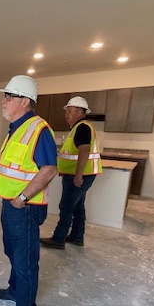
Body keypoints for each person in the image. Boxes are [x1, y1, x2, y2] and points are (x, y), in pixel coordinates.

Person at [0, 75, 58, 306]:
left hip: (25, 208)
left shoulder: (38, 129)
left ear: (26, 101)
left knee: (25, 261)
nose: (4, 101)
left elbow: (50, 169)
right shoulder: (17, 127)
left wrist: (23, 198)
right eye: (5, 96)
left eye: (10, 96)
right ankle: (15, 289)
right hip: (11, 205)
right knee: (12, 251)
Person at [40, 96, 102, 249]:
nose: (66, 114)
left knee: (66, 206)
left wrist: (78, 175)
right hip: (77, 175)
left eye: (70, 111)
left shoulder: (82, 127)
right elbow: (73, 154)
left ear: (80, 112)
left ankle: (58, 239)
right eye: (66, 111)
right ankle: (76, 236)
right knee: (77, 206)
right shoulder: (79, 127)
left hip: (79, 176)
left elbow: (84, 151)